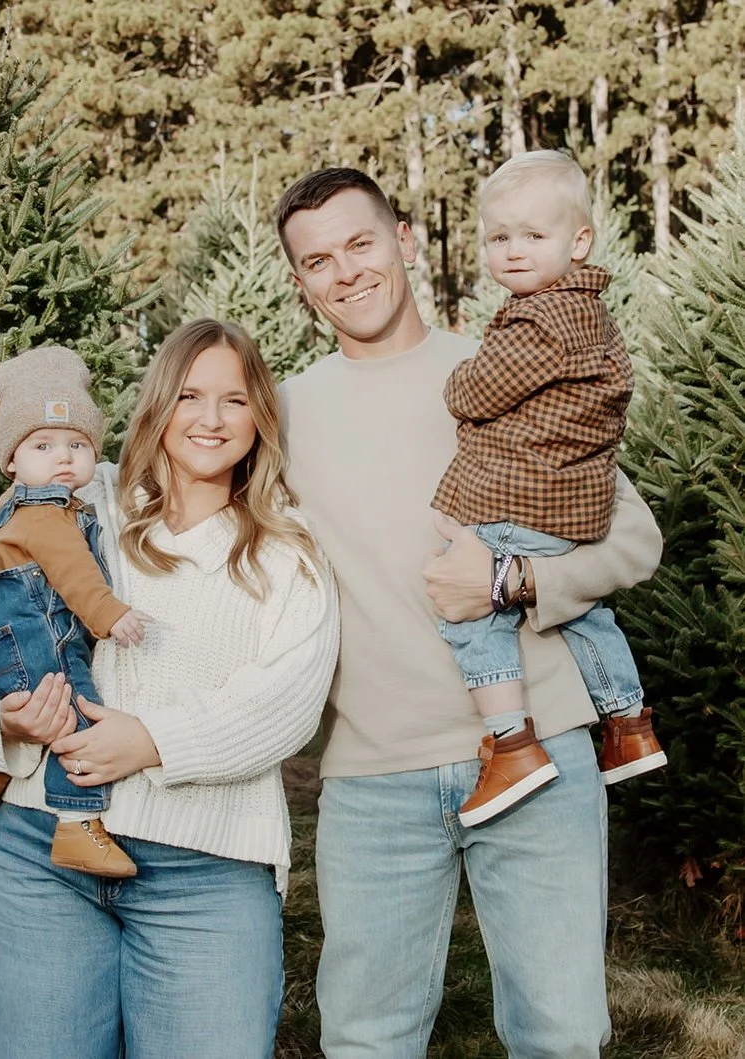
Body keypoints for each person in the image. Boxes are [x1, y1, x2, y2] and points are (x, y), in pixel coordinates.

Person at [276, 167, 663, 1057]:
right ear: (301, 281)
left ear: (405, 240)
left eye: (362, 243)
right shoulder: (287, 413)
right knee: (365, 1039)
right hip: (375, 779)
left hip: (543, 751)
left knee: (560, 1035)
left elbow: (632, 540)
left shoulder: (507, 369)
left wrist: (510, 582)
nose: (347, 273)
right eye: (319, 260)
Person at [0, 319, 339, 1059]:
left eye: (235, 399)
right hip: (41, 857)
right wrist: (2, 720)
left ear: (262, 415)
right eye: (190, 395)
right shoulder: (81, 501)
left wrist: (153, 740)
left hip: (207, 876)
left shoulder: (287, 549)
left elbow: (288, 699)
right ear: (159, 402)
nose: (211, 419)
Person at [430, 150, 666, 828]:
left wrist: (459, 380)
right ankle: (629, 723)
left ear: (579, 241)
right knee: (585, 613)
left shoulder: (539, 319)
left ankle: (511, 742)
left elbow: (473, 390)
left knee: (471, 615)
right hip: (575, 506)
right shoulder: (590, 311)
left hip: (525, 499)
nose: (513, 251)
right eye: (500, 237)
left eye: (534, 236)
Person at [0, 345, 151, 879]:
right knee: (77, 713)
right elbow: (74, 573)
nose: (63, 457)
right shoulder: (47, 515)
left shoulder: (10, 508)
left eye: (77, 444)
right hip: (35, 637)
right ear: (12, 459)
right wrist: (109, 616)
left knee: (34, 713)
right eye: (43, 444)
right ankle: (76, 824)